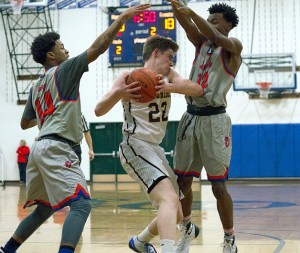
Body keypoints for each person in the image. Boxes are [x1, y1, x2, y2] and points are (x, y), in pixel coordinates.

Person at [0, 4, 151, 253]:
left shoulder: (36, 86)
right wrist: (122, 18)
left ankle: (7, 249)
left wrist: (49, 113)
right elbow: (98, 48)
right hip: (57, 146)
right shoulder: (65, 70)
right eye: (61, 47)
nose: (67, 50)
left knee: (45, 209)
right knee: (81, 205)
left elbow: (24, 123)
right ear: (51, 56)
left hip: (40, 147)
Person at [94, 35, 205, 253]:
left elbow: (197, 90)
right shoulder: (129, 76)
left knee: (178, 212)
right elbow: (98, 110)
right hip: (135, 145)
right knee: (170, 200)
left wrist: (170, 87)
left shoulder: (169, 76)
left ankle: (139, 242)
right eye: (169, 57)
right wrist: (119, 93)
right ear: (155, 53)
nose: (171, 62)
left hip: (156, 148)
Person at [168, 1, 243, 253]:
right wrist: (176, 5)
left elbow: (211, 34)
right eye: (208, 19)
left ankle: (230, 238)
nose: (210, 22)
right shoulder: (201, 44)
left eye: (215, 19)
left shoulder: (234, 48)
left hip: (215, 120)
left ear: (228, 24)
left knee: (218, 186)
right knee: (182, 182)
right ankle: (187, 228)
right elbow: (186, 24)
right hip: (190, 116)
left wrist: (193, 13)